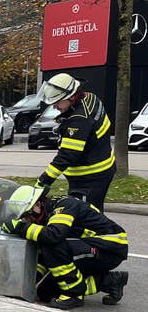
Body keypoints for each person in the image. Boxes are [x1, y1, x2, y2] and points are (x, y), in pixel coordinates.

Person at [2, 185, 128, 310]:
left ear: (37, 205)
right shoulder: (46, 214)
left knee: (51, 244)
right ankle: (109, 281)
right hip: (87, 247)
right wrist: (34, 278)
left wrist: (20, 228)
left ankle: (74, 295)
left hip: (109, 248)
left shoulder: (64, 206)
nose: (27, 220)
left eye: (27, 216)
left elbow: (54, 235)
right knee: (46, 291)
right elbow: (43, 255)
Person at [35, 72, 116, 211]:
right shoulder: (90, 98)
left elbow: (67, 155)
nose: (55, 107)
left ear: (72, 96)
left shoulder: (78, 119)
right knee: (94, 213)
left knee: (84, 216)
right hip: (101, 168)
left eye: (58, 102)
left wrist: (44, 181)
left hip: (89, 179)